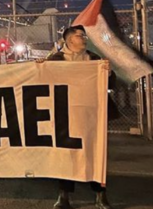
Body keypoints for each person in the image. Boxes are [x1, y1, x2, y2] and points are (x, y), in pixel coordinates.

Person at [46, 25, 114, 209]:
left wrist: (108, 73)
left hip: (92, 114)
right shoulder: (56, 60)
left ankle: (100, 195)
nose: (84, 38)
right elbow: (43, 81)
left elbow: (111, 83)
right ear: (69, 40)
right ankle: (64, 195)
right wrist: (38, 68)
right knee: (66, 154)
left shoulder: (93, 59)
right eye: (79, 36)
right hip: (66, 114)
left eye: (84, 35)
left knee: (96, 153)